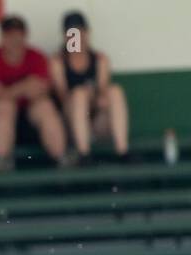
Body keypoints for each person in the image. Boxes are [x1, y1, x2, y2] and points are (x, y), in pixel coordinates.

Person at [0, 15, 68, 173]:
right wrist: (24, 86)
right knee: (5, 106)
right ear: (2, 37)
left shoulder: (37, 57)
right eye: (9, 35)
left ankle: (61, 158)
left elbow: (41, 89)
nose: (14, 39)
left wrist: (9, 91)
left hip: (28, 126)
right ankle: (1, 162)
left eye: (18, 34)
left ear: (25, 35)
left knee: (44, 106)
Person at [49, 10, 131, 164]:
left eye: (80, 32)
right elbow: (62, 97)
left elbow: (102, 94)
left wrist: (92, 95)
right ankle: (84, 153)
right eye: (72, 33)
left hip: (97, 122)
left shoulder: (99, 59)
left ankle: (122, 151)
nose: (76, 37)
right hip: (70, 124)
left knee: (115, 91)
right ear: (65, 36)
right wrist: (83, 95)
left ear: (87, 33)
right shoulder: (58, 61)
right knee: (79, 95)